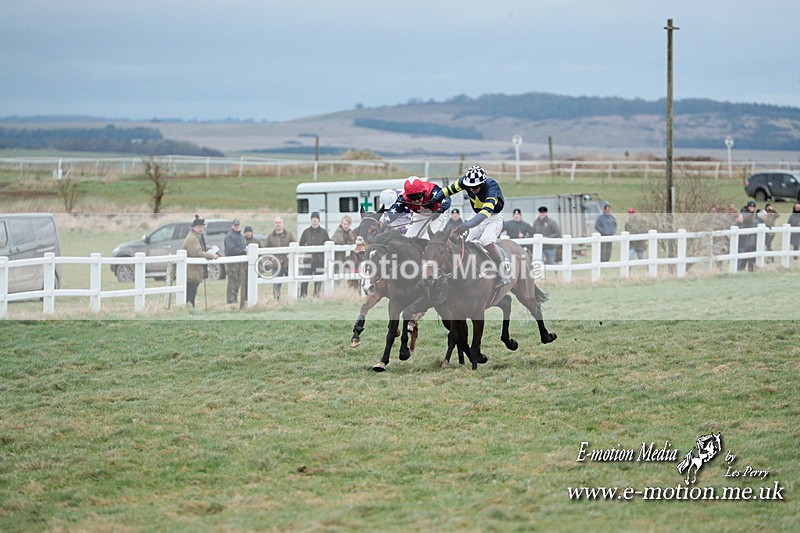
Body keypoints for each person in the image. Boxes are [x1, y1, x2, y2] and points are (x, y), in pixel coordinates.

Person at [427, 164, 508, 288]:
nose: (472, 189)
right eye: (469, 187)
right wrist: (435, 200)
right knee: (460, 241)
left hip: (493, 217)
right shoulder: (465, 182)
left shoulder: (492, 186)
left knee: (485, 240)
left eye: (475, 187)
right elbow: (447, 190)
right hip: (476, 214)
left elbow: (485, 213)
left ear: (482, 184)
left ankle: (502, 273)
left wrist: (466, 226)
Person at [181, 215, 219, 308]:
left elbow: (198, 248)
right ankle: (189, 309)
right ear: (194, 228)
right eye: (199, 227)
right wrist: (211, 256)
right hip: (190, 272)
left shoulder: (196, 236)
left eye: (202, 227)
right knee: (190, 293)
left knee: (192, 292)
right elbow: (197, 252)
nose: (201, 229)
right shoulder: (192, 238)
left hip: (194, 271)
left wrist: (207, 248)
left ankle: (190, 309)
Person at [298, 211, 330, 297]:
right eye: (313, 218)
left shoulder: (323, 232)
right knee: (305, 279)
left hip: (319, 261)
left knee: (318, 280)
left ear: (319, 220)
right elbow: (301, 244)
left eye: (316, 218)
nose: (314, 220)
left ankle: (316, 295)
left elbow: (328, 244)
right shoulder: (306, 232)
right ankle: (303, 295)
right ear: (310, 220)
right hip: (308, 260)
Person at [264, 216, 295, 300]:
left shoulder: (289, 235)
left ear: (283, 223)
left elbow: (295, 246)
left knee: (293, 283)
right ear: (274, 224)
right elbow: (266, 250)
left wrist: (292, 258)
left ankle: (292, 300)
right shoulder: (270, 237)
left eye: (279, 222)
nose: (278, 224)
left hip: (288, 264)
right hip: (276, 266)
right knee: (276, 285)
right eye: (276, 223)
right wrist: (271, 260)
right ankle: (276, 301)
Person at [223, 219, 247, 304]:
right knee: (232, 280)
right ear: (232, 226)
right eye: (235, 225)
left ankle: (235, 299)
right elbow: (231, 249)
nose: (237, 227)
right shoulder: (230, 236)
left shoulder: (241, 236)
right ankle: (231, 300)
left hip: (240, 262)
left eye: (238, 225)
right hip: (232, 262)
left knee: (238, 281)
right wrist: (243, 251)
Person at [332, 214, 357, 289]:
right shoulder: (339, 231)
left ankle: (350, 287)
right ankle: (335, 289)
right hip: (336, 258)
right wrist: (349, 243)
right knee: (336, 274)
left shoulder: (349, 232)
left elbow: (352, 241)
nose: (346, 226)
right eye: (345, 224)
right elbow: (340, 241)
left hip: (343, 258)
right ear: (341, 224)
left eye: (348, 224)